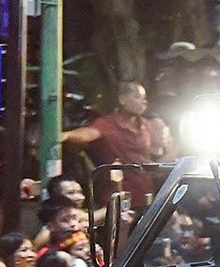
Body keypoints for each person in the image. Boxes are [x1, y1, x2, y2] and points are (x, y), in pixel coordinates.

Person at [61, 82, 170, 211]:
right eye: (137, 97)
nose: (144, 102)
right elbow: (88, 133)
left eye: (144, 98)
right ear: (122, 99)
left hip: (146, 197)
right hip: (119, 202)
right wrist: (66, 135)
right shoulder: (107, 124)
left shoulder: (146, 126)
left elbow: (161, 150)